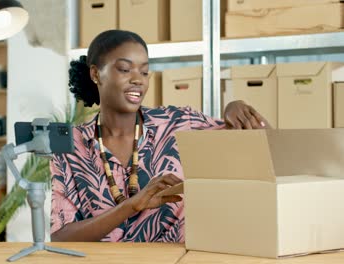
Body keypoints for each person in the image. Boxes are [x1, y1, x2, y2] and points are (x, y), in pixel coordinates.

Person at [50, 30, 269, 242]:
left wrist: (236, 107)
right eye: (125, 69)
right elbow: (60, 237)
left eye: (144, 72)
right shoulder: (70, 147)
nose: (138, 80)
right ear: (96, 74)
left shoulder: (180, 123)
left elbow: (267, 145)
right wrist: (130, 206)